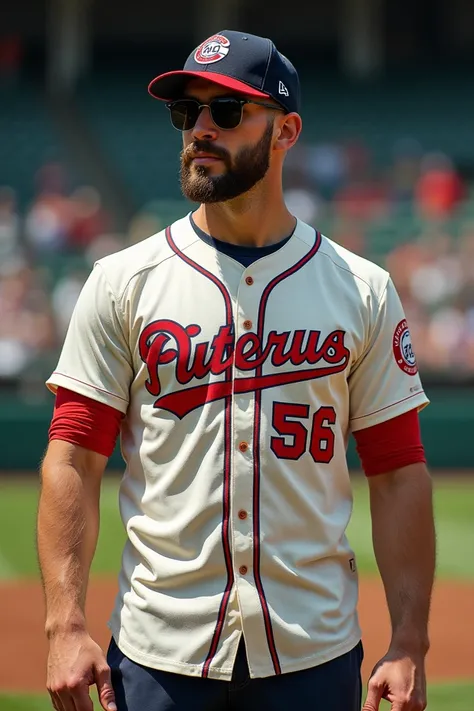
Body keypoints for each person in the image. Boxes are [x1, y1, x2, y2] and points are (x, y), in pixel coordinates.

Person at [37, 30, 436, 711]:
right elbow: (73, 454)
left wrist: (410, 642)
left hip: (314, 649)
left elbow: (398, 472)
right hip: (160, 654)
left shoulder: (361, 289)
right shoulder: (123, 281)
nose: (200, 129)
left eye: (226, 111)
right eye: (186, 112)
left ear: (286, 131)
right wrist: (65, 624)